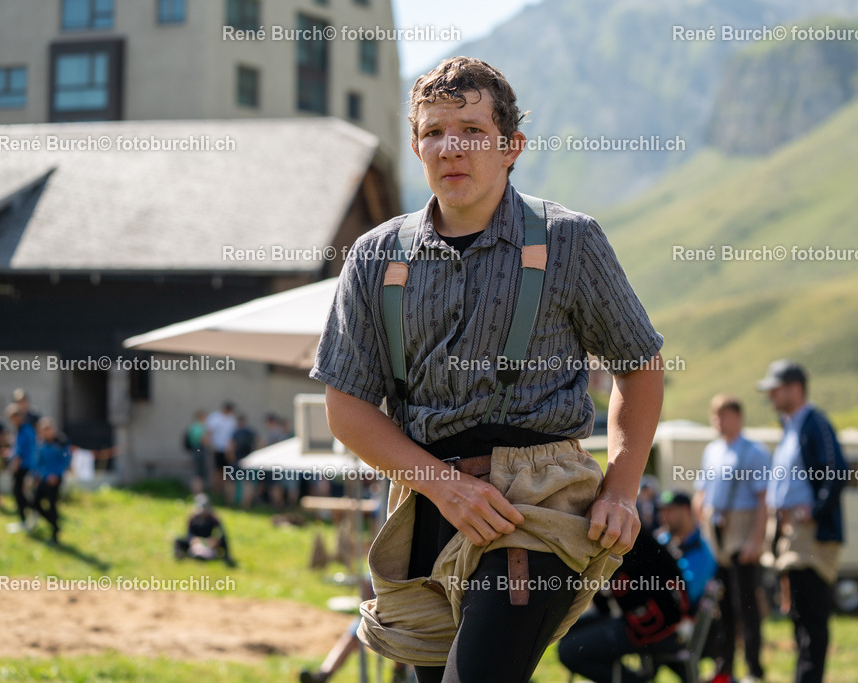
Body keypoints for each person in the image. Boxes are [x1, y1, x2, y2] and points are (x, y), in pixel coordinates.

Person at [309, 56, 665, 682]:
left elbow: (640, 365)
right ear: (417, 145)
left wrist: (622, 487)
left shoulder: (570, 241)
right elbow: (348, 408)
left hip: (536, 505)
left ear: (511, 147)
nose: (452, 147)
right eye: (433, 132)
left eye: (472, 131)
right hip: (424, 504)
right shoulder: (374, 256)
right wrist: (443, 487)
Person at [758, 360, 847, 683]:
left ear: (795, 389)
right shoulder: (792, 426)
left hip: (810, 535)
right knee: (797, 613)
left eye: (776, 389)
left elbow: (837, 471)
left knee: (811, 615)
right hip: (791, 534)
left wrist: (816, 510)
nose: (770, 396)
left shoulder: (815, 424)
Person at [557, 526, 697, 683]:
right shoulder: (625, 531)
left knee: (569, 650)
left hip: (654, 625)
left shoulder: (622, 536)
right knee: (566, 631)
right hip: (643, 618)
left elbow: (630, 595)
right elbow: (607, 603)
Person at [694, 394, 769, 683]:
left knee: (746, 606)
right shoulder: (712, 450)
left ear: (737, 417)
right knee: (720, 606)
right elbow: (701, 493)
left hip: (742, 530)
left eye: (722, 415)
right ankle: (724, 668)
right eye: (714, 415)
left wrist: (756, 540)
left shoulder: (754, 452)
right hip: (715, 534)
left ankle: (753, 669)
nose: (717, 421)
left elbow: (764, 501)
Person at [34, 417, 72, 544]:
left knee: (52, 504)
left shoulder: (61, 442)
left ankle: (54, 533)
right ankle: (54, 524)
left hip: (55, 479)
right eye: (44, 430)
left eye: (49, 429)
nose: (47, 432)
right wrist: (41, 475)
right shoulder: (41, 444)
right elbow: (38, 463)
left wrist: (56, 475)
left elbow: (65, 460)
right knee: (35, 502)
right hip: (44, 478)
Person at [174, 493, 236, 567]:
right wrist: (193, 539)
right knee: (178, 540)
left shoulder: (213, 518)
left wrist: (215, 540)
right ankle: (180, 555)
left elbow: (221, 533)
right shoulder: (193, 518)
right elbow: (189, 533)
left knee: (223, 540)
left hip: (209, 542)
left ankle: (226, 557)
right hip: (195, 541)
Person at [5, 402, 37, 532]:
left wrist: (15, 463)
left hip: (24, 466)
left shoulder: (25, 430)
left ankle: (30, 514)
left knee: (19, 492)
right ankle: (30, 515)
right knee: (19, 492)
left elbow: (21, 450)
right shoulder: (22, 429)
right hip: (25, 465)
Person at [204, 401, 237, 495]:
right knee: (217, 470)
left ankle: (223, 491)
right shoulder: (215, 417)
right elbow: (208, 432)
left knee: (226, 471)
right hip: (217, 448)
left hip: (227, 450)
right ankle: (215, 490)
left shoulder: (231, 419)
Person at [228, 415, 258, 508]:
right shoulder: (251, 432)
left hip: (237, 460)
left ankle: (230, 503)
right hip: (249, 460)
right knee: (248, 482)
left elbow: (230, 447)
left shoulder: (235, 433)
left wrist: (231, 458)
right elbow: (260, 443)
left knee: (231, 481)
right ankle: (246, 505)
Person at [184, 410, 209, 494]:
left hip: (195, 450)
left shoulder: (193, 426)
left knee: (197, 472)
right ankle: (198, 491)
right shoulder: (199, 426)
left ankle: (196, 491)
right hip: (199, 449)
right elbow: (203, 440)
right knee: (199, 472)